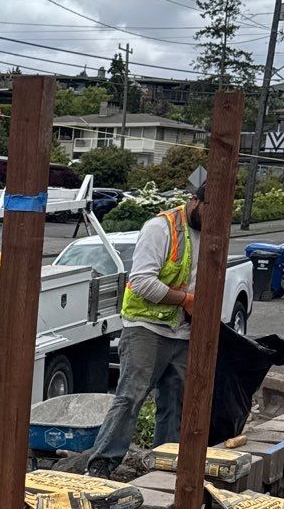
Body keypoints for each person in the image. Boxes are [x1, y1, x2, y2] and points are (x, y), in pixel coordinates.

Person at [87, 170, 206, 476]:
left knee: (176, 402)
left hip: (183, 332)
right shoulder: (162, 228)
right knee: (130, 396)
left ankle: (165, 467)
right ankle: (102, 463)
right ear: (194, 201)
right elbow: (141, 281)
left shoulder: (211, 234)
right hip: (146, 328)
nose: (212, 221)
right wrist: (186, 300)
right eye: (209, 212)